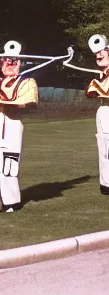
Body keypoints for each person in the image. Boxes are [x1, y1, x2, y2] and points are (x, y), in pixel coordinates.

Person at [0, 41, 68, 211]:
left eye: (14, 61)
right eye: (7, 60)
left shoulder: (27, 82)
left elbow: (26, 103)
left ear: (20, 63)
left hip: (13, 124)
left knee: (9, 163)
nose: (10, 63)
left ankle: (11, 201)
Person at [64, 35, 109, 195]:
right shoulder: (102, 77)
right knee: (107, 146)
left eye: (102, 52)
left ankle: (108, 183)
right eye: (96, 53)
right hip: (105, 110)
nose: (98, 55)